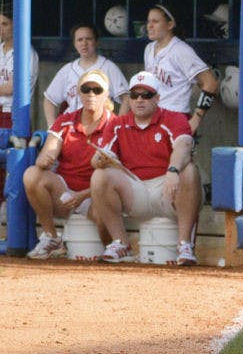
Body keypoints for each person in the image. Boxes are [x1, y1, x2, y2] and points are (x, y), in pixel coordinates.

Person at [90, 70, 201, 265]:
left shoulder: (175, 119)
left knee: (189, 170)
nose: (139, 100)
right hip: (136, 189)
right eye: (134, 95)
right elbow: (100, 157)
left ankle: (185, 245)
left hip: (167, 187)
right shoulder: (118, 124)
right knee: (99, 176)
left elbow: (183, 146)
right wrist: (98, 160)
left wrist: (173, 170)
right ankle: (121, 243)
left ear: (157, 98)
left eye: (146, 95)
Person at [23, 69, 116, 259]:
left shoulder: (116, 124)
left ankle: (112, 251)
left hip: (94, 194)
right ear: (78, 93)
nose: (91, 94)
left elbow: (115, 177)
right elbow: (50, 150)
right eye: (86, 89)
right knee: (32, 174)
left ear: (106, 94)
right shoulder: (65, 120)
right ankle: (51, 237)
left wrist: (84, 195)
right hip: (64, 192)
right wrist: (43, 160)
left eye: (97, 90)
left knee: (104, 216)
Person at [142, 4, 219, 135]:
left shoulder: (181, 50)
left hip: (175, 116)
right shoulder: (149, 48)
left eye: (155, 21)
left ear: (170, 24)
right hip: (153, 116)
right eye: (148, 21)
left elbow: (211, 82)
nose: (149, 26)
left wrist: (196, 118)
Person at [43, 23, 130, 126]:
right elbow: (49, 100)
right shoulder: (67, 70)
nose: (84, 43)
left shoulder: (108, 67)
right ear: (74, 44)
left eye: (88, 39)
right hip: (71, 126)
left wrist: (117, 125)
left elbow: (127, 98)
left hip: (100, 126)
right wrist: (51, 127)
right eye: (79, 40)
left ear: (96, 42)